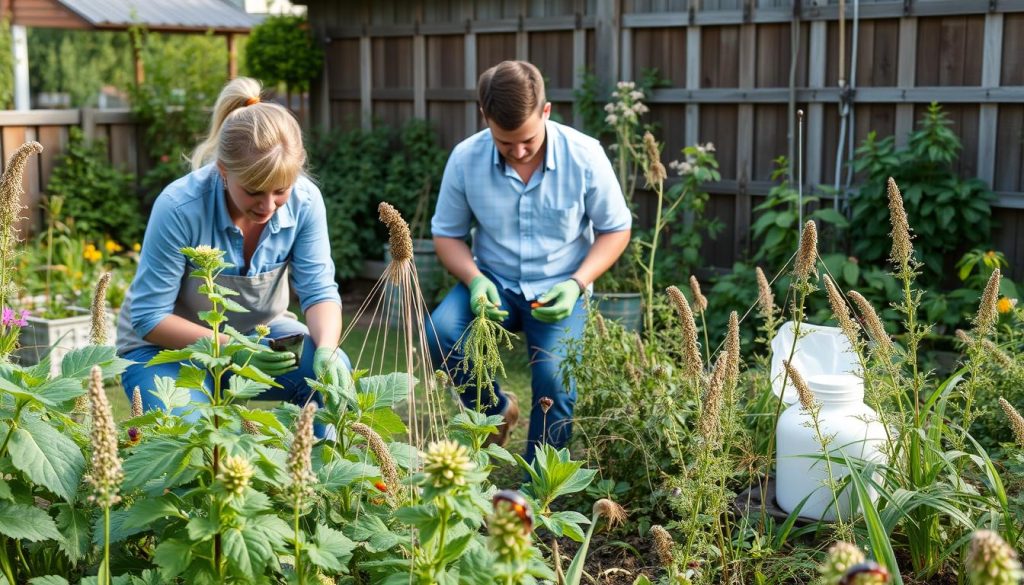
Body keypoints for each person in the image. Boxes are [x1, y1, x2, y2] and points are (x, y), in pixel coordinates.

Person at [426, 60, 632, 462]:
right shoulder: (465, 159)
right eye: (505, 143)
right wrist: (474, 279)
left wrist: (577, 283)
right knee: (440, 332)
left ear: (546, 112)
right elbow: (446, 234)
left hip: (560, 288)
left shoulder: (586, 156)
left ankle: (537, 489)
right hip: (493, 284)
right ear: (485, 117)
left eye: (528, 141)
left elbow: (616, 230)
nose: (518, 152)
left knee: (555, 381)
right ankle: (494, 411)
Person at [117, 77, 350, 430]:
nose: (268, 205)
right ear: (224, 171)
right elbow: (149, 317)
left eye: (280, 191)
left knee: (334, 379)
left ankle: (318, 479)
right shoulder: (180, 207)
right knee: (190, 437)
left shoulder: (305, 201)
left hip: (261, 341)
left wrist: (327, 349)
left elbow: (319, 293)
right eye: (255, 191)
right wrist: (233, 349)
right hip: (165, 352)